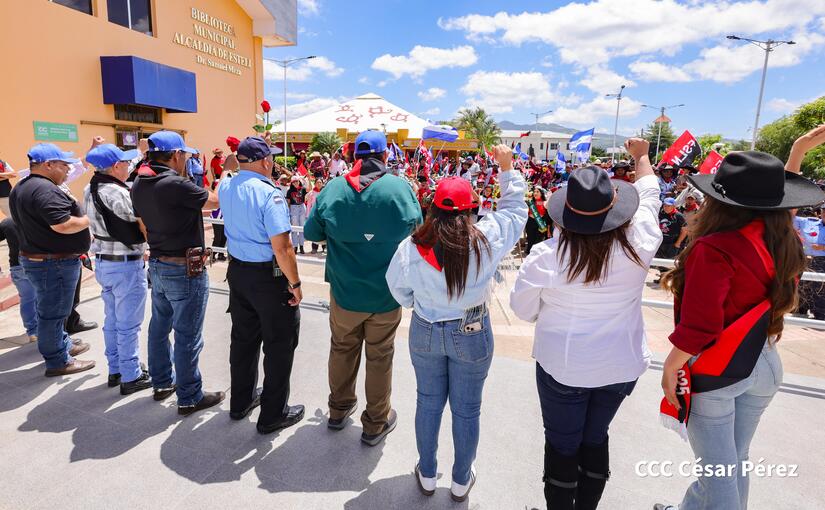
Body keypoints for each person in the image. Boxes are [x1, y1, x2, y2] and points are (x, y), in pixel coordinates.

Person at [655, 126, 825, 510]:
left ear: (719, 201)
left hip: (721, 369)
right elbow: (784, 207)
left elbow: (701, 326)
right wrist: (797, 150)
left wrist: (670, 367)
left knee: (719, 476)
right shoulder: (784, 239)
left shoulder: (716, 247)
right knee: (733, 462)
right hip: (765, 361)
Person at [510, 138, 662, 510]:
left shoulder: (546, 256)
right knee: (596, 438)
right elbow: (650, 194)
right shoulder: (641, 243)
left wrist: (553, 310)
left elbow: (523, 309)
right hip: (620, 366)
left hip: (564, 368)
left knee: (562, 446)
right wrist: (642, 156)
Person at [386, 144, 527, 502]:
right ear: (472, 211)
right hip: (471, 331)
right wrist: (506, 167)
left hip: (426, 329)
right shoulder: (487, 239)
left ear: (432, 208)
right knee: (467, 409)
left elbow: (396, 287)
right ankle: (461, 479)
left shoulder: (411, 246)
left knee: (428, 402)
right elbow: (515, 210)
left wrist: (419, 303)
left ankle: (427, 472)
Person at [304, 129, 422, 446]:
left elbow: (311, 233)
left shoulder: (333, 188)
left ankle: (338, 410)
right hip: (386, 295)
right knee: (380, 356)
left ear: (353, 155)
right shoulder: (399, 188)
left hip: (344, 293)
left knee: (342, 348)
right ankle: (375, 423)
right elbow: (419, 229)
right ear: (385, 156)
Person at [131, 131, 224, 415]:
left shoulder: (140, 182)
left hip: (159, 262)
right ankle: (189, 395)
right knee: (188, 335)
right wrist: (225, 175)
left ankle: (162, 383)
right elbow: (214, 202)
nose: (186, 159)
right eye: (185, 154)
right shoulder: (175, 183)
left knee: (160, 327)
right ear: (175, 155)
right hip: (184, 268)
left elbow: (142, 223)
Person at [218, 136, 305, 434]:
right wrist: (295, 283)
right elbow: (283, 247)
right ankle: (272, 414)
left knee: (243, 340)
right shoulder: (270, 194)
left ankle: (240, 402)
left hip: (238, 273)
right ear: (266, 161)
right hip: (268, 278)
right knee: (279, 345)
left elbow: (226, 173)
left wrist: (231, 162)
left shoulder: (228, 186)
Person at [10, 143, 96, 376]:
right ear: (48, 165)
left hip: (42, 259)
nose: (68, 169)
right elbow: (63, 224)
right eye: (64, 165)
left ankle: (61, 344)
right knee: (53, 313)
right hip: (53, 263)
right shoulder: (44, 190)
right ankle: (58, 360)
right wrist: (89, 219)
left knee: (51, 309)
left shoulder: (23, 186)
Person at [84, 142, 151, 395]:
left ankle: (116, 369)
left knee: (112, 320)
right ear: (114, 166)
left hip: (104, 262)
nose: (128, 166)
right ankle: (131, 375)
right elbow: (140, 223)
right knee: (128, 324)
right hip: (126, 265)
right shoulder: (118, 193)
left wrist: (139, 154)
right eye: (124, 162)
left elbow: (124, 169)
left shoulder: (90, 188)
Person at [0, 218, 37, 342]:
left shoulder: (7, 223)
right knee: (44, 297)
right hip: (37, 261)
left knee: (27, 299)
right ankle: (49, 328)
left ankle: (33, 331)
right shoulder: (33, 216)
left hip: (17, 265)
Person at [794, 205, 825, 320]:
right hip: (804, 259)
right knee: (802, 284)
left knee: (819, 287)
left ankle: (820, 314)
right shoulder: (808, 222)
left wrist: (822, 247)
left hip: (821, 260)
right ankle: (800, 310)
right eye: (823, 211)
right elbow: (789, 218)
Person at [525, 187, 552, 253]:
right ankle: (530, 253)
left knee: (538, 240)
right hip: (530, 222)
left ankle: (536, 253)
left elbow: (548, 215)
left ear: (541, 193)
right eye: (534, 191)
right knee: (530, 239)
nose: (535, 193)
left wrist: (549, 197)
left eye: (537, 192)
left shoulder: (545, 202)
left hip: (540, 223)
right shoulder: (530, 202)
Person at [286, 176, 307, 254]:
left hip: (301, 206)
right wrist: (288, 212)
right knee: (294, 228)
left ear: (299, 181)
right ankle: (295, 246)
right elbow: (288, 202)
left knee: (302, 227)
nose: (296, 183)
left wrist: (307, 178)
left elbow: (309, 189)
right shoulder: (289, 191)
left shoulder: (303, 189)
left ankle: (301, 246)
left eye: (297, 181)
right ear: (292, 183)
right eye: (294, 182)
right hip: (293, 207)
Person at [305, 179, 325, 254]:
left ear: (322, 183)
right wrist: (308, 214)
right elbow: (309, 205)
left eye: (320, 182)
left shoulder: (325, 192)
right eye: (317, 182)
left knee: (323, 231)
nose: (319, 184)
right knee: (315, 231)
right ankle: (314, 248)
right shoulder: (311, 193)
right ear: (315, 183)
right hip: (314, 214)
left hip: (323, 214)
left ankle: (323, 247)